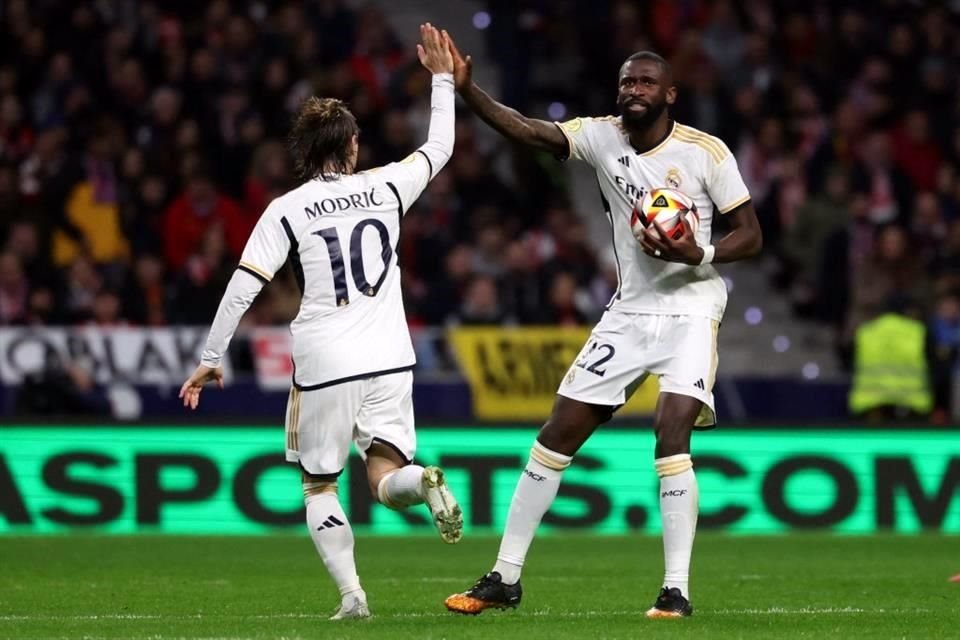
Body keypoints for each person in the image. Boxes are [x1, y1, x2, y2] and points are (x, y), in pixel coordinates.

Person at [440, 32, 762, 618]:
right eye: (626, 82)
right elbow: (527, 129)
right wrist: (469, 91)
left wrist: (701, 254)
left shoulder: (705, 153)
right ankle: (504, 578)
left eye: (645, 82)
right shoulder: (600, 135)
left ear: (670, 93)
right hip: (629, 312)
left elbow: (751, 233)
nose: (633, 90)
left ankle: (676, 590)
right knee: (554, 436)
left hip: (691, 307)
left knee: (671, 433)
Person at [179, 24, 462, 620]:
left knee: (319, 486)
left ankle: (353, 597)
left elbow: (243, 284)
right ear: (353, 145)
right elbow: (440, 149)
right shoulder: (386, 185)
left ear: (305, 152)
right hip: (391, 355)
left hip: (326, 360)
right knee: (387, 475)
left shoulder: (286, 209)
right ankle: (425, 482)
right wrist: (441, 80)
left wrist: (210, 357)